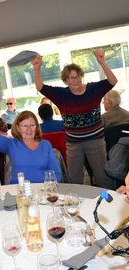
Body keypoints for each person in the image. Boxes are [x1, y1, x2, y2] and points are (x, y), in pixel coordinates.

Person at [32, 48, 117, 188]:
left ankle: (107, 205)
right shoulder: (61, 95)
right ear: (66, 80)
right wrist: (37, 69)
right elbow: (40, 87)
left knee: (103, 178)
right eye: (71, 77)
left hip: (95, 141)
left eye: (77, 76)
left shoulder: (93, 89)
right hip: (73, 144)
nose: (75, 80)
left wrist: (102, 62)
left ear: (81, 76)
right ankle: (76, 208)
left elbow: (113, 81)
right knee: (75, 181)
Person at [0, 107, 61, 184]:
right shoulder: (11, 144)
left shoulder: (46, 145)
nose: (29, 129)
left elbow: (56, 174)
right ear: (18, 128)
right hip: (19, 191)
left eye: (32, 125)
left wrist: (48, 189)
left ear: (37, 127)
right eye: (25, 126)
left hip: (42, 190)